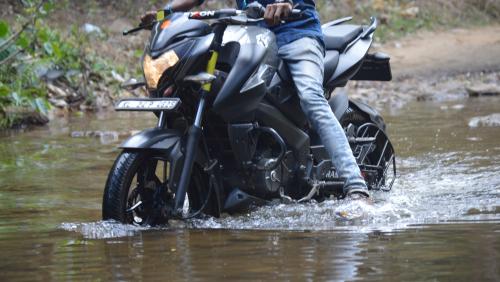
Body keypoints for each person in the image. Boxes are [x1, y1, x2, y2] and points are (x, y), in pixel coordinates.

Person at [141, 0, 370, 200]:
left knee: (311, 97)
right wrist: (165, 12)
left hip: (297, 36)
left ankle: (356, 186)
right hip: (251, 40)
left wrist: (285, 3)